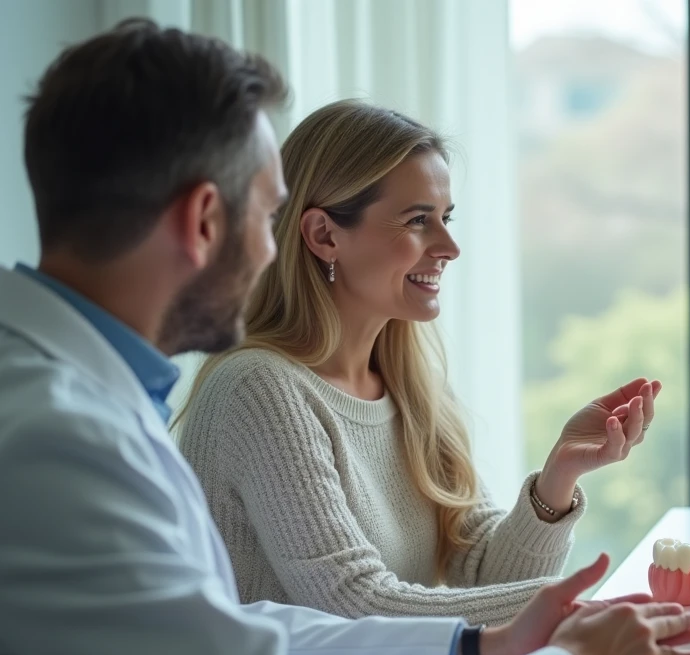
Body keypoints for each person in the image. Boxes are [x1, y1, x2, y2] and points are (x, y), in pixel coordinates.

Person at [0, 20, 690, 655]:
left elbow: (238, 631)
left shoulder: (64, 399)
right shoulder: (52, 444)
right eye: (265, 216)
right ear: (203, 221)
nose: (271, 249)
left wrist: (481, 646)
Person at [176, 99, 664, 625]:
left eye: (445, 218)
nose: (449, 246)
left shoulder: (409, 386)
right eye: (417, 220)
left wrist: (560, 473)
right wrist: (574, 604)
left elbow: (485, 577)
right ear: (324, 235)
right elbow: (356, 606)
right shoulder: (258, 390)